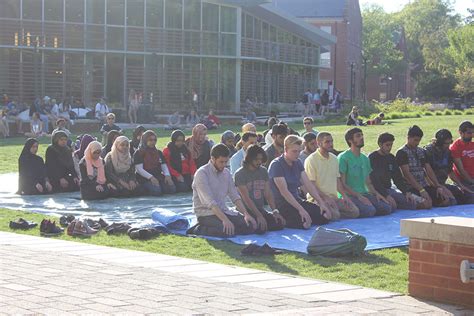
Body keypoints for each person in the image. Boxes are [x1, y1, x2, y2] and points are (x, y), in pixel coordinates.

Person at [189, 144, 257, 237]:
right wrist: (225, 220)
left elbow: (235, 196)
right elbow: (210, 203)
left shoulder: (226, 173)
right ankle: (199, 229)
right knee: (226, 230)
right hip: (206, 213)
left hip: (223, 210)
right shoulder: (202, 173)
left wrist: (246, 214)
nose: (224, 165)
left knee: (249, 226)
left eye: (226, 162)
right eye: (221, 162)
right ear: (213, 159)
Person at [269, 135, 331, 228]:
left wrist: (321, 202)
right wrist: (301, 210)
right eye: (294, 151)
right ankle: (282, 220)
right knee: (305, 223)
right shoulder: (276, 165)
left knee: (325, 217)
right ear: (286, 149)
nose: (297, 154)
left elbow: (308, 184)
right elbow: (284, 192)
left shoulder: (297, 162)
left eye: (299, 151)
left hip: (297, 200)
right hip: (283, 204)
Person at [396, 125, 454, 209]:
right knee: (426, 204)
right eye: (415, 140)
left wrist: (437, 186)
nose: (417, 143)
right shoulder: (402, 153)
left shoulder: (421, 151)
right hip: (410, 187)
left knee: (446, 200)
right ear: (408, 138)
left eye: (419, 140)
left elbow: (428, 169)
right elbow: (406, 174)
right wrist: (421, 190)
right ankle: (404, 202)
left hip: (424, 185)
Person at [338, 128, 392, 217]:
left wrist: (377, 194)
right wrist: (359, 197)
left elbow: (368, 182)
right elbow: (343, 184)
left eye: (362, 135)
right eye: (358, 136)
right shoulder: (343, 158)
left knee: (387, 207)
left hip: (365, 194)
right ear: (350, 140)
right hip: (350, 195)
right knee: (369, 211)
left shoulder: (365, 158)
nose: (362, 137)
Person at [304, 132, 359, 219]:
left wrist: (344, 196)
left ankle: (333, 213)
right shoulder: (311, 160)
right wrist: (325, 198)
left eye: (332, 141)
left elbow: (337, 181)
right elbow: (311, 185)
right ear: (319, 143)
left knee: (355, 212)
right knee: (335, 215)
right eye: (327, 142)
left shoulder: (334, 158)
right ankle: (330, 213)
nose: (331, 144)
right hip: (317, 199)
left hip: (334, 199)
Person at [235, 145, 286, 233]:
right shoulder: (240, 174)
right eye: (256, 159)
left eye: (261, 159)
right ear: (249, 159)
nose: (259, 162)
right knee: (259, 228)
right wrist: (259, 215)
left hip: (260, 208)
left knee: (279, 224)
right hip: (246, 211)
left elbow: (268, 193)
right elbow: (246, 198)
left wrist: (275, 211)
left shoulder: (263, 171)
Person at [369, 133, 420, 210]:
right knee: (389, 207)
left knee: (413, 203)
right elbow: (374, 180)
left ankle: (397, 202)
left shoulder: (391, 157)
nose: (389, 148)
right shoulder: (372, 158)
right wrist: (386, 195)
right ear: (380, 144)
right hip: (377, 191)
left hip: (390, 189)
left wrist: (406, 192)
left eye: (391, 145)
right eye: (387, 145)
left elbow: (397, 177)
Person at [425, 129, 474, 204]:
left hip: (442, 184)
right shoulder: (428, 151)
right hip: (430, 185)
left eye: (450, 142)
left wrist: (461, 185)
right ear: (439, 143)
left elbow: (450, 171)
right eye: (446, 143)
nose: (448, 145)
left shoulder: (447, 152)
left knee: (469, 196)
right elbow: (425, 174)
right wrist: (438, 186)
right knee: (449, 201)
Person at [134, 130, 176, 196]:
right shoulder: (139, 153)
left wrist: (167, 176)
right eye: (150, 140)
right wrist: (151, 178)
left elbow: (163, 165)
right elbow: (139, 170)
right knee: (156, 191)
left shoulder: (158, 152)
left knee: (171, 188)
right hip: (144, 178)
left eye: (154, 140)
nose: (153, 142)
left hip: (157, 176)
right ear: (145, 140)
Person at [450, 121, 474, 191]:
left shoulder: (472, 143)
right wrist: (472, 181)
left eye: (473, 133)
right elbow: (461, 170)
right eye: (469, 133)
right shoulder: (455, 147)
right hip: (464, 181)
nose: (472, 135)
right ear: (460, 133)